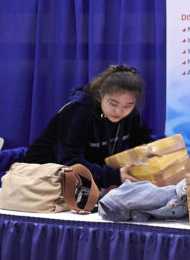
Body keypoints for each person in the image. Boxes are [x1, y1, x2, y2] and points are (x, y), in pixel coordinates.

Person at [23, 64, 153, 188]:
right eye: (113, 103)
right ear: (101, 94)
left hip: (84, 183)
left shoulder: (131, 115)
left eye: (128, 105)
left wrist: (156, 154)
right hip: (40, 179)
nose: (119, 111)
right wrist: (113, 176)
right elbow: (70, 162)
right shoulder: (77, 113)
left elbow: (144, 142)